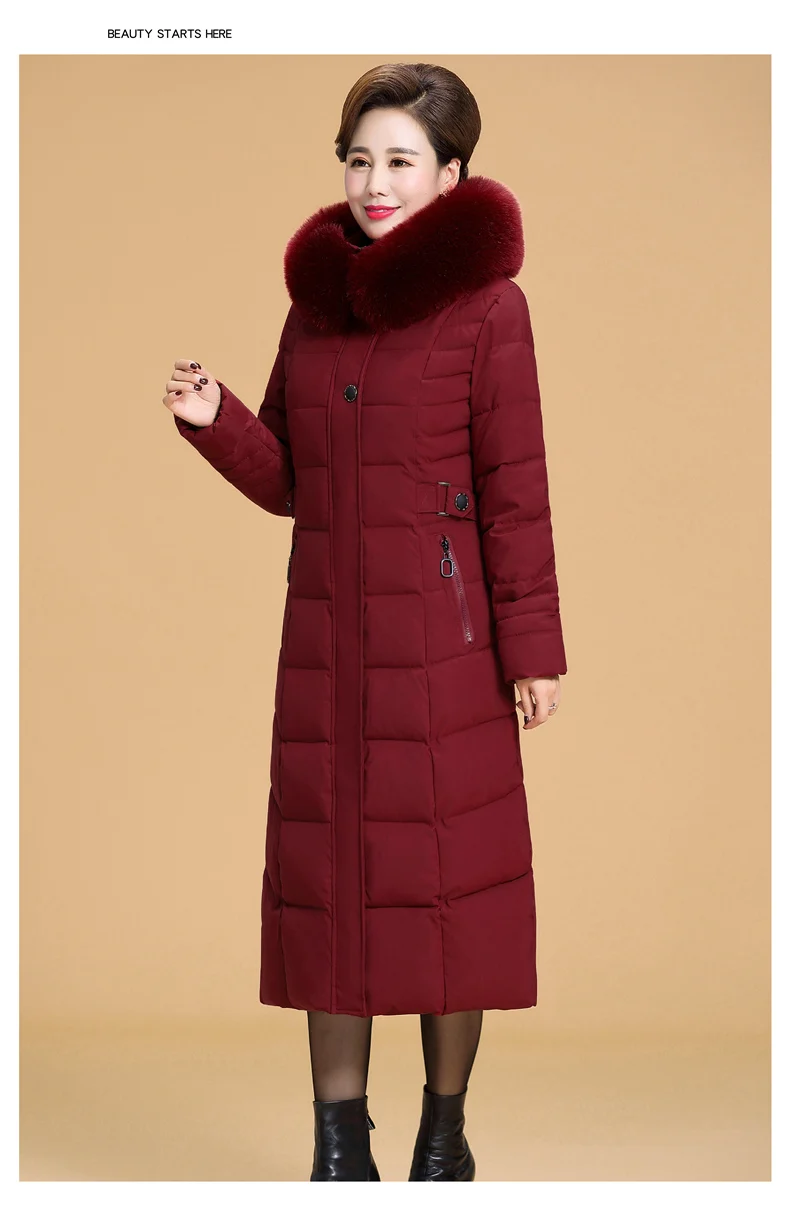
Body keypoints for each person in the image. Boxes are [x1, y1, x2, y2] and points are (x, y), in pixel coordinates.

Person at [163, 62, 568, 1182]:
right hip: (329, 650)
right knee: (333, 891)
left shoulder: (489, 309)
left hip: (446, 652)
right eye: (358, 159)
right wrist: (216, 420)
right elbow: (292, 479)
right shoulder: (316, 306)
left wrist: (534, 651)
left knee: (445, 893)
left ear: (452, 175)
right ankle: (338, 1149)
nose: (375, 183)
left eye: (399, 161)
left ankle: (444, 1136)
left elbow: (516, 489)